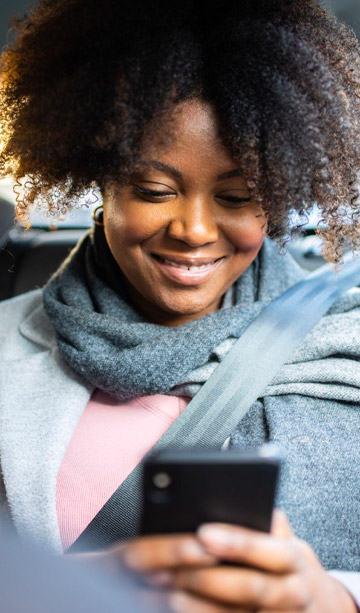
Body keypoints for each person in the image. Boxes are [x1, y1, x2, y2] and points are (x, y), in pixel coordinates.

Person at [0, 0, 360, 611]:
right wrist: (67, 594)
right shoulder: (7, 341)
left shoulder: (345, 348)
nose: (194, 229)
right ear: (100, 177)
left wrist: (332, 597)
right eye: (154, 190)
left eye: (238, 196)